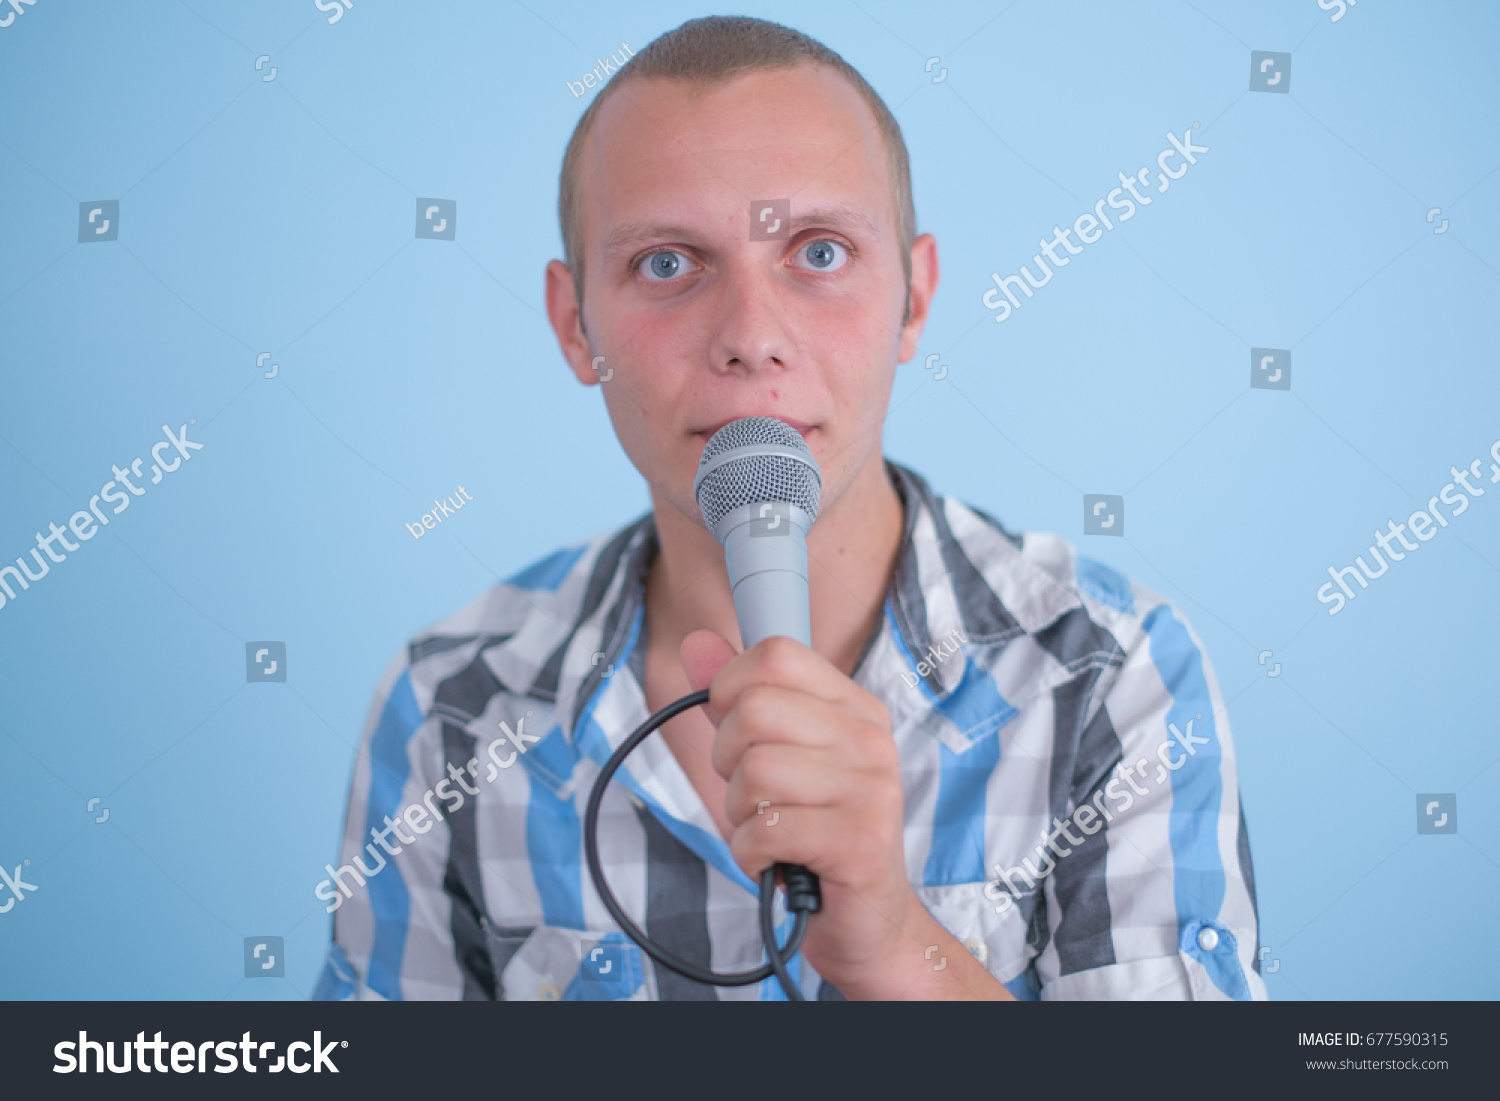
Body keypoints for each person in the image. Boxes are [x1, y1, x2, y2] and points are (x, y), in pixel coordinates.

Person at [313, 15, 1265, 1001]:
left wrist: (898, 946)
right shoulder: (452, 710)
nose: (752, 338)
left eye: (818, 254)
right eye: (667, 264)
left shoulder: (1110, 674)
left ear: (914, 300)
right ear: (575, 327)